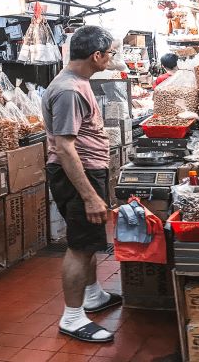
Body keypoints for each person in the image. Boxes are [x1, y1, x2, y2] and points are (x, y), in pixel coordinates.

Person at [42, 25, 122, 344]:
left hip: (88, 171)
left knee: (89, 241)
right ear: (96, 55)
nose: (111, 58)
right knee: (78, 246)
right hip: (79, 176)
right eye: (110, 53)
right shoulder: (69, 90)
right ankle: (72, 317)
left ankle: (93, 295)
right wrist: (89, 196)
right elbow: (64, 147)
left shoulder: (78, 82)